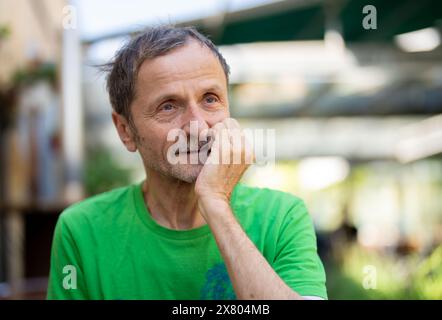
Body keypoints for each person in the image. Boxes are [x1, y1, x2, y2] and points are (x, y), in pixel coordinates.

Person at [47, 25, 327, 300]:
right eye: (168, 106)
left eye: (210, 99)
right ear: (125, 130)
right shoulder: (82, 230)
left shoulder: (281, 218)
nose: (197, 128)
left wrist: (215, 203)